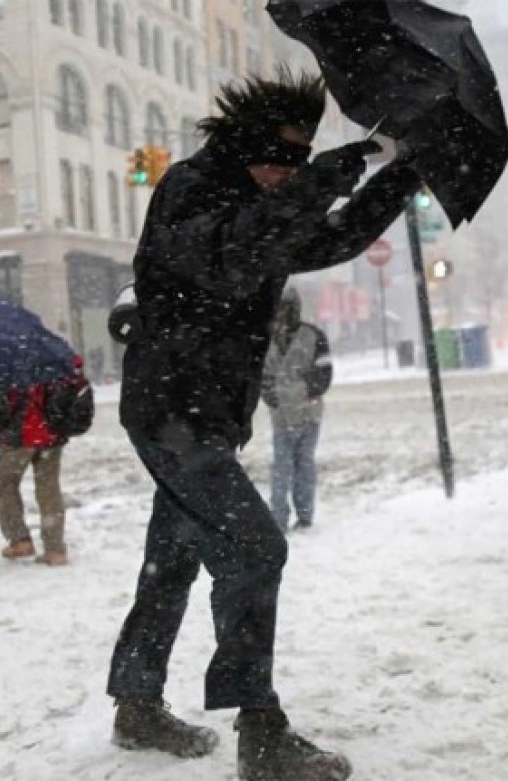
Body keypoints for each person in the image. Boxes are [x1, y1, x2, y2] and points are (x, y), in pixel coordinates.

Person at [107, 69, 421, 780]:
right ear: (246, 143)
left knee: (172, 559)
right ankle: (261, 730)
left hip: (208, 417)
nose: (290, 172)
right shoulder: (192, 189)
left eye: (301, 160)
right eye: (282, 157)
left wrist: (405, 173)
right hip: (171, 412)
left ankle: (136, 703)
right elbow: (230, 255)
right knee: (255, 548)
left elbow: (334, 237)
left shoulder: (263, 203)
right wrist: (325, 178)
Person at [0, 359, 85, 567]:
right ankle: (55, 548)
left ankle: (20, 539)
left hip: (27, 432)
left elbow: (8, 399)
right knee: (48, 487)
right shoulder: (57, 357)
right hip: (53, 433)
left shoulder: (15, 360)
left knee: (4, 480)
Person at [261, 288, 333, 533]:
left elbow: (324, 373)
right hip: (280, 416)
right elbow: (261, 376)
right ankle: (278, 518)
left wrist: (306, 392)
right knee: (281, 468)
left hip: (308, 414)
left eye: (285, 308)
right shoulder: (266, 340)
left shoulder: (314, 336)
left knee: (304, 465)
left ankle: (304, 516)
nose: (281, 314)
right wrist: (272, 398)